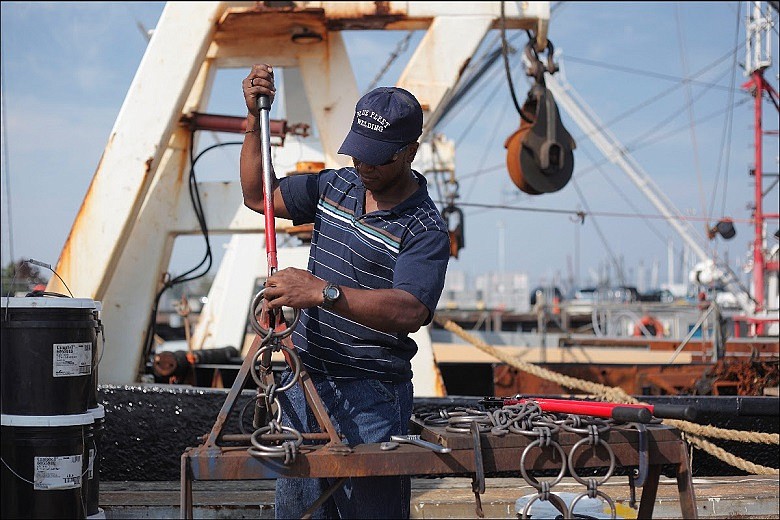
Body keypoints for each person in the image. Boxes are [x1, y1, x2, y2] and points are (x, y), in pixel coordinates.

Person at [240, 64, 450, 519]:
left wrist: (322, 293)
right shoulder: (335, 184)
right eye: (359, 154)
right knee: (300, 511)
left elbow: (410, 309)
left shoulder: (425, 228)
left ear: (411, 151)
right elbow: (260, 196)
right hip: (303, 382)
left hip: (371, 396)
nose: (364, 166)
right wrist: (253, 122)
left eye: (378, 158)